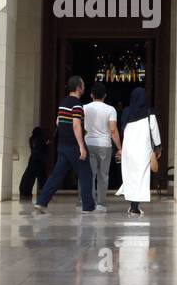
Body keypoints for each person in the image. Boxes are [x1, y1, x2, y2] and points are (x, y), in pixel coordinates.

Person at [35, 75, 95, 214]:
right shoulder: (77, 104)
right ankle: (88, 206)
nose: (84, 88)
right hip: (74, 146)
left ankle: (41, 201)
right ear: (79, 88)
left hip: (62, 145)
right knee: (86, 174)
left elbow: (58, 122)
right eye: (83, 85)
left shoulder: (63, 103)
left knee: (56, 175)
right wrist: (81, 146)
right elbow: (76, 125)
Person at [116, 86, 161, 216]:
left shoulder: (126, 112)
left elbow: (122, 130)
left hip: (129, 150)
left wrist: (120, 148)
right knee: (141, 177)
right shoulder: (149, 113)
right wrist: (158, 147)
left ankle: (133, 205)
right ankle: (134, 206)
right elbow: (155, 131)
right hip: (143, 149)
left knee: (131, 176)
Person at [83, 81, 121, 212]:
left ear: (91, 94)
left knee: (89, 174)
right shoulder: (110, 109)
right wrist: (119, 147)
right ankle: (101, 203)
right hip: (105, 145)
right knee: (103, 175)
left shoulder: (84, 108)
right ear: (105, 95)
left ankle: (87, 201)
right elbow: (113, 130)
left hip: (88, 143)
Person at [18, 125, 48, 199]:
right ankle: (46, 193)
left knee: (29, 176)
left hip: (33, 160)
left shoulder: (32, 139)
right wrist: (46, 144)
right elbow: (41, 148)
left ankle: (25, 192)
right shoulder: (40, 139)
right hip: (39, 160)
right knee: (42, 178)